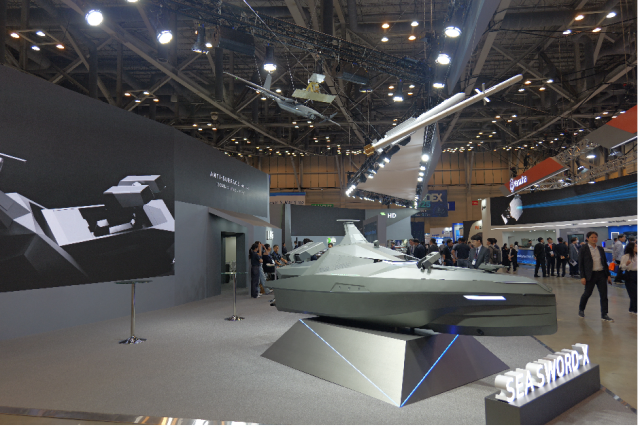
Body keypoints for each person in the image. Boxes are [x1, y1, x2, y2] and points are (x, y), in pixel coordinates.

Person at [578, 231, 613, 322]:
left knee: (604, 295)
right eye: (592, 237)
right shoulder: (583, 248)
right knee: (587, 293)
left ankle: (604, 314)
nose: (594, 239)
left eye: (595, 237)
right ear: (587, 238)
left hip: (601, 274)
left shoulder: (600, 248)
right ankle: (581, 309)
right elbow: (581, 264)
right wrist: (582, 277)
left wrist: (608, 275)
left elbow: (604, 262)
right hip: (590, 275)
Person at [620, 242, 637, 314]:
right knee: (634, 293)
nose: (637, 247)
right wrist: (626, 264)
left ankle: (632, 309)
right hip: (630, 275)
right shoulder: (625, 257)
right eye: (635, 246)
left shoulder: (637, 256)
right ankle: (635, 309)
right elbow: (622, 267)